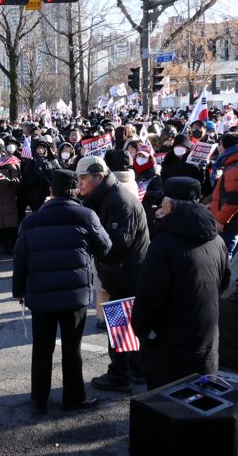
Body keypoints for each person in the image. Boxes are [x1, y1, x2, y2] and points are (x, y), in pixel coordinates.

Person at [13, 170, 112, 413]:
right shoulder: (86, 215)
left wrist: (19, 291)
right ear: (75, 189)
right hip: (74, 294)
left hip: (41, 294)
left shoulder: (31, 221)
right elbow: (106, 247)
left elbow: (20, 259)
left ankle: (39, 400)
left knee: (42, 348)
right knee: (72, 348)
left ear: (51, 192)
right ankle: (74, 397)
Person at [132, 177, 231, 390]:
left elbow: (149, 297)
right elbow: (223, 283)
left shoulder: (163, 245)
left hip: (168, 348)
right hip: (207, 341)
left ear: (169, 205)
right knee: (202, 406)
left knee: (167, 410)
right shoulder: (217, 240)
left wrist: (141, 330)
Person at [76, 156, 149, 392]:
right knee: (128, 325)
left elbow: (119, 241)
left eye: (84, 178)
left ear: (99, 175)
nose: (80, 184)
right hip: (120, 272)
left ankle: (120, 374)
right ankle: (134, 369)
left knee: (120, 325)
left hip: (125, 275)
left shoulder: (119, 200)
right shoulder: (104, 196)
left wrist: (88, 243)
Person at [209, 132, 238, 260]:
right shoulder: (231, 163)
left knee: (225, 257)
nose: (218, 148)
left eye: (219, 145)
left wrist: (220, 220)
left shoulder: (234, 166)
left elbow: (234, 199)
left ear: (227, 146)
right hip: (230, 221)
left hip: (229, 224)